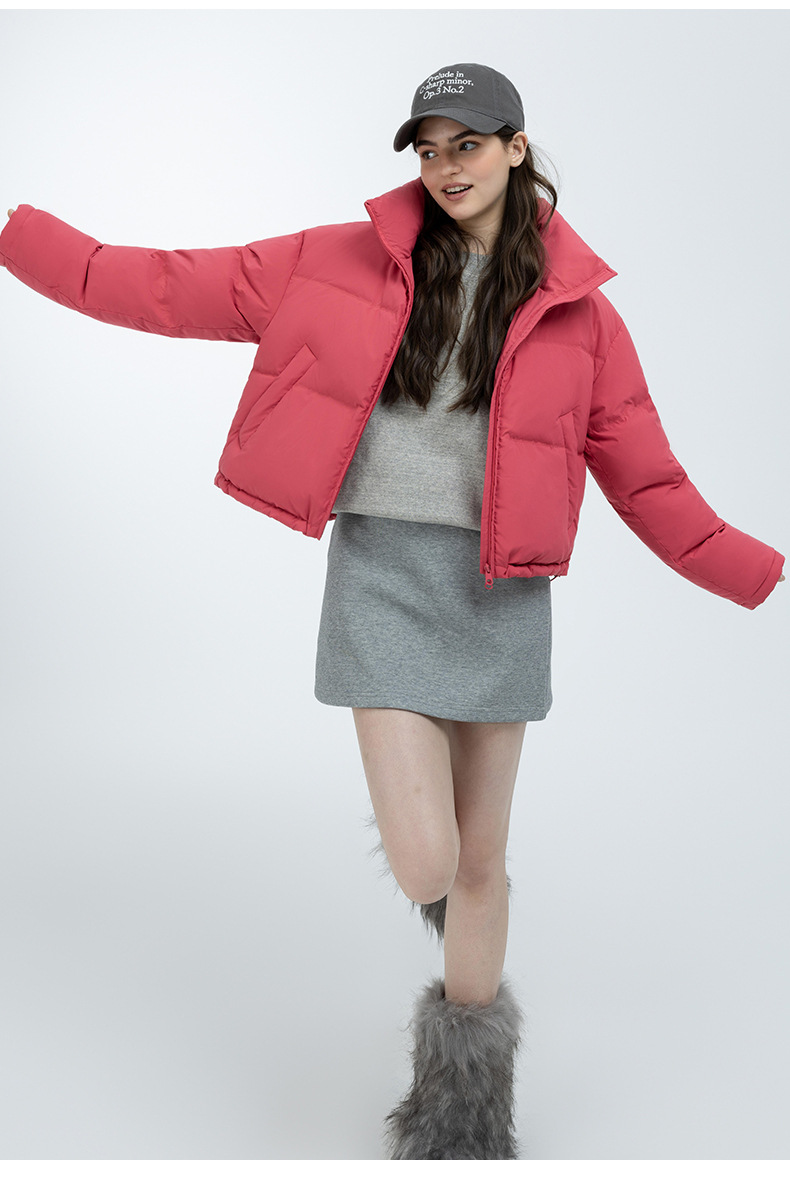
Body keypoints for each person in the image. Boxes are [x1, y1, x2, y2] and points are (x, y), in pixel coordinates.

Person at [1, 61, 784, 1161]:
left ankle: (465, 1111)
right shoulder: (335, 262)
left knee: (481, 864)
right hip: (381, 581)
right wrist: (17, 236)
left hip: (501, 595)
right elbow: (164, 284)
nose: (445, 166)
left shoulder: (583, 317)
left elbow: (652, 479)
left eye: (468, 143)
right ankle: (459, 974)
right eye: (428, 147)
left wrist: (762, 572)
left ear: (516, 148)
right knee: (430, 862)